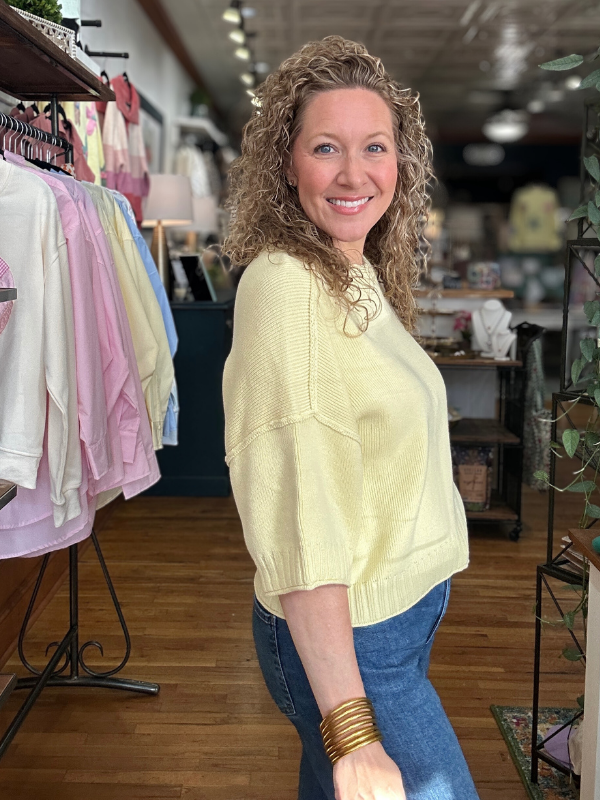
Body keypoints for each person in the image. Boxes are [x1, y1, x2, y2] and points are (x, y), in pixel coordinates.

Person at [222, 35, 479, 800]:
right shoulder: (287, 290)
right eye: (325, 147)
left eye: (375, 147)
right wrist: (352, 730)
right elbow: (299, 514)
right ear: (286, 163)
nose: (353, 173)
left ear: (402, 163)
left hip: (384, 625)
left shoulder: (349, 267)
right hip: (355, 646)